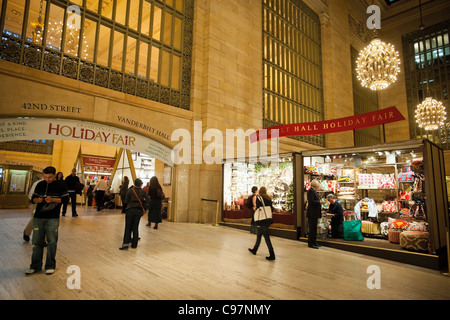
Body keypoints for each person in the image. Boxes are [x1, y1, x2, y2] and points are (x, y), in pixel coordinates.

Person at [25, 166, 69, 275]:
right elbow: (33, 199)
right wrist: (38, 200)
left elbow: (65, 199)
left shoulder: (61, 185)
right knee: (36, 242)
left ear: (54, 175)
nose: (47, 179)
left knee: (52, 242)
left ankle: (50, 265)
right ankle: (35, 266)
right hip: (39, 217)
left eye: (49, 177)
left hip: (52, 218)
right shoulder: (40, 184)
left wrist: (52, 199)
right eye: (45, 177)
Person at [119, 178, 150, 250]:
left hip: (130, 210)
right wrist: (144, 206)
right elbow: (148, 200)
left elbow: (126, 201)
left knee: (128, 226)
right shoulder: (143, 191)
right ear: (141, 184)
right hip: (138, 210)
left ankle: (126, 243)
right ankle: (134, 244)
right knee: (135, 227)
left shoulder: (130, 190)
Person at [248, 186, 275, 261]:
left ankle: (272, 254)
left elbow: (257, 208)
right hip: (267, 218)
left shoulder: (259, 198)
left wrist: (255, 209)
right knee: (259, 235)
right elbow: (271, 208)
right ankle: (255, 249)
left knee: (266, 238)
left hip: (261, 219)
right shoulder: (269, 199)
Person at [23, 175, 44, 242]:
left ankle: (42, 239)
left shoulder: (52, 184)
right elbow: (31, 195)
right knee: (35, 219)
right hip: (37, 204)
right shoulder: (38, 183)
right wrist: (36, 201)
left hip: (47, 206)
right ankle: (27, 232)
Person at [307, 179, 325, 249]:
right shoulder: (311, 191)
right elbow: (311, 201)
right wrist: (320, 202)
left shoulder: (313, 191)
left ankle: (314, 242)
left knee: (314, 228)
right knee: (312, 228)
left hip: (314, 213)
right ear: (316, 186)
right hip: (312, 213)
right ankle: (311, 243)